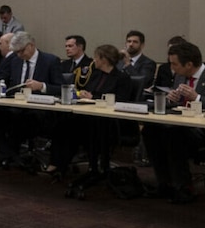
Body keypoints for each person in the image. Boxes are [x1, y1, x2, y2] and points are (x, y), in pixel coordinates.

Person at [141, 40, 205, 203]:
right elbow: (180, 106)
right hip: (182, 125)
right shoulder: (180, 76)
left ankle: (184, 188)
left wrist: (198, 98)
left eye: (175, 64)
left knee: (174, 132)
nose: (172, 68)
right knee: (150, 130)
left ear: (189, 64)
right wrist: (171, 99)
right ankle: (164, 183)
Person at [44, 43, 138, 178]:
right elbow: (88, 91)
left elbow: (121, 99)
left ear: (104, 59)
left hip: (109, 121)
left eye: (96, 58)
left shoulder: (122, 78)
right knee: (63, 123)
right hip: (89, 114)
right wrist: (83, 94)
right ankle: (57, 163)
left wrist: (94, 97)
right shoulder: (95, 74)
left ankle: (81, 166)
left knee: (75, 127)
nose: (94, 61)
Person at [0, 31, 65, 168]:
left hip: (39, 109)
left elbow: (61, 88)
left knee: (21, 121)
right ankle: (11, 155)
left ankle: (9, 155)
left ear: (31, 46)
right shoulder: (15, 61)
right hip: (15, 106)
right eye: (16, 52)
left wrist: (42, 86)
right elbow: (4, 80)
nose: (19, 55)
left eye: (21, 51)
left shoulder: (50, 61)